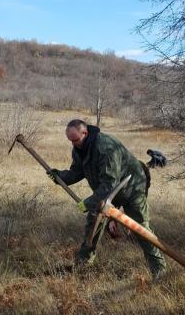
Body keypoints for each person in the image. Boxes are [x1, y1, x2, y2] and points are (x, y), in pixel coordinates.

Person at [48, 119, 166, 277]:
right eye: (70, 140)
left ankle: (159, 270)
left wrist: (89, 202)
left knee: (141, 228)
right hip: (107, 192)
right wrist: (59, 176)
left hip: (132, 188)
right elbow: (77, 171)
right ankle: (82, 266)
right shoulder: (79, 148)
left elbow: (110, 183)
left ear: (85, 133)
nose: (73, 144)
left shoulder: (106, 148)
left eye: (75, 140)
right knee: (93, 225)